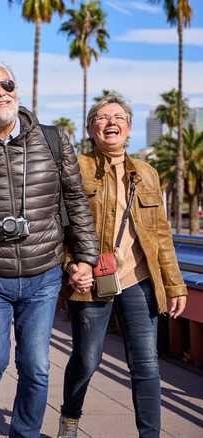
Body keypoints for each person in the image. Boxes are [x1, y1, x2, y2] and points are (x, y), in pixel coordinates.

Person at [0, 56, 100, 438]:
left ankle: (26, 433)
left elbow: (75, 199)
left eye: (7, 86)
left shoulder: (52, 139)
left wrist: (85, 258)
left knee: (36, 364)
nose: (1, 93)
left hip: (44, 272)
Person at [58, 93, 187, 438]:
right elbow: (60, 227)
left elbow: (160, 234)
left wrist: (174, 285)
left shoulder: (146, 173)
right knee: (86, 360)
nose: (110, 121)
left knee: (145, 364)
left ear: (128, 129)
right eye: (101, 117)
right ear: (90, 128)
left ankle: (150, 434)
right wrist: (71, 266)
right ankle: (70, 418)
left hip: (139, 278)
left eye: (118, 117)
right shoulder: (76, 167)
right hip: (90, 279)